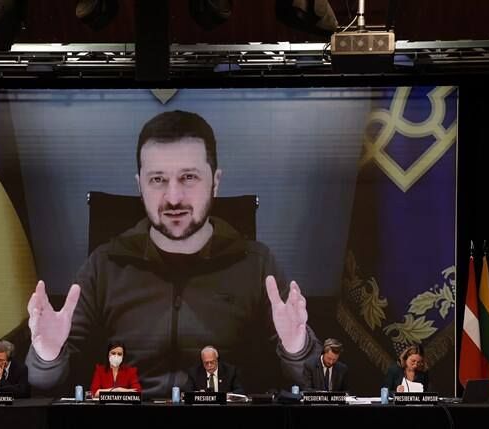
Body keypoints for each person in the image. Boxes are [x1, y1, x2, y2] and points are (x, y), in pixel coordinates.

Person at [25, 109, 319, 398]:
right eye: (158, 179)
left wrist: (297, 349)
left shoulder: (257, 264)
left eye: (189, 177)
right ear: (140, 186)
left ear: (215, 182)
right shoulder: (104, 266)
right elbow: (42, 384)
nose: (174, 197)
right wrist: (48, 357)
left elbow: (313, 379)